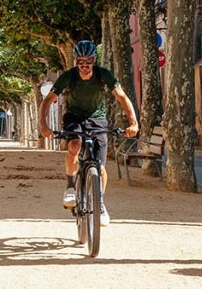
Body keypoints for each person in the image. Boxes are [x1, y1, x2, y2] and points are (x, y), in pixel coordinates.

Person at [39, 40, 139, 226]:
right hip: (74, 117)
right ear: (76, 61)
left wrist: (133, 123)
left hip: (97, 118)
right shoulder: (68, 77)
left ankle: (100, 204)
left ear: (95, 60)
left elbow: (122, 97)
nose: (85, 66)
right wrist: (43, 125)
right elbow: (48, 100)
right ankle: (70, 187)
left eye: (89, 61)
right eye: (81, 62)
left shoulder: (103, 75)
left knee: (100, 167)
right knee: (74, 146)